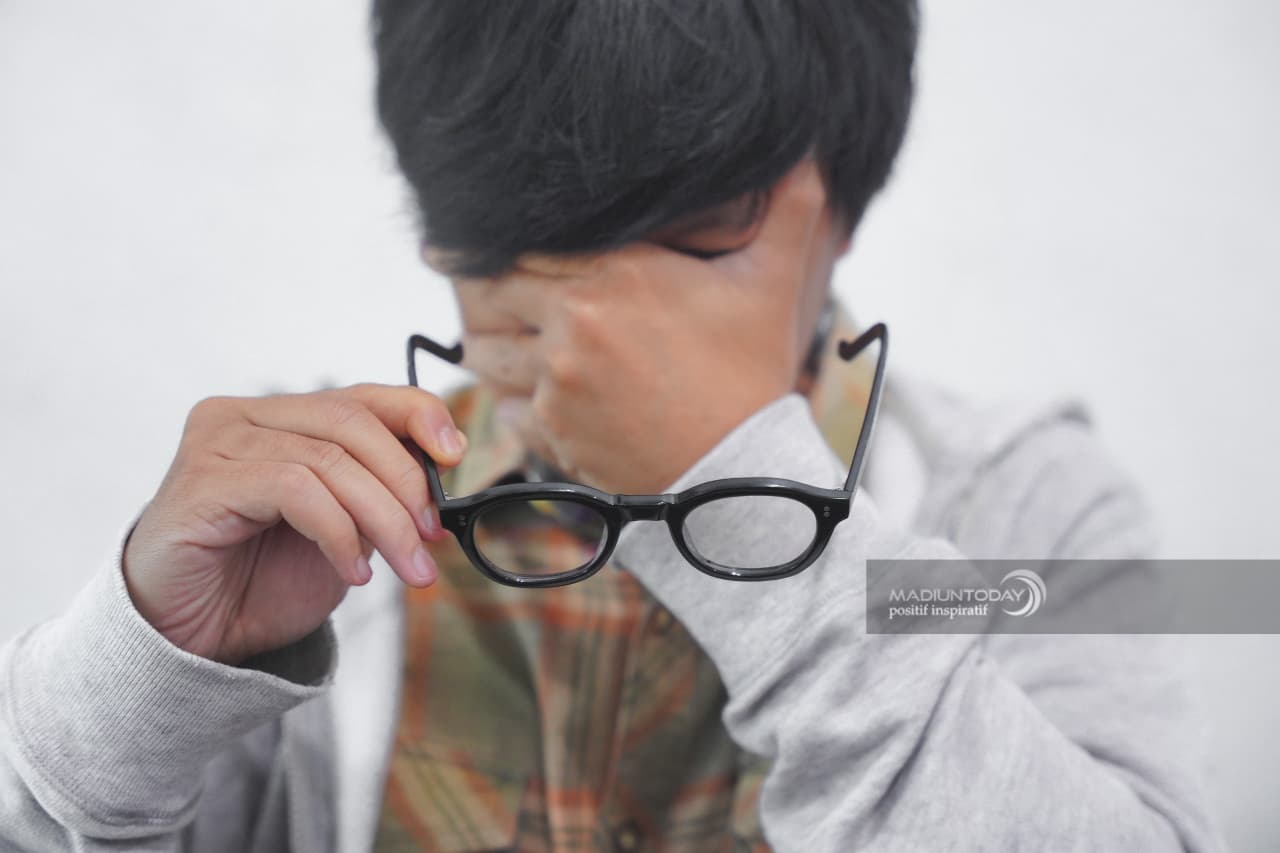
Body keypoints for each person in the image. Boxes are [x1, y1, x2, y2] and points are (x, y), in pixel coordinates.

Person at [0, 1, 1225, 851]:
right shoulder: (323, 544)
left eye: (687, 239)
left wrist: (745, 493)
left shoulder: (1019, 511)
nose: (598, 332)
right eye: (534, 245)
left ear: (836, 211)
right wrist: (139, 666)